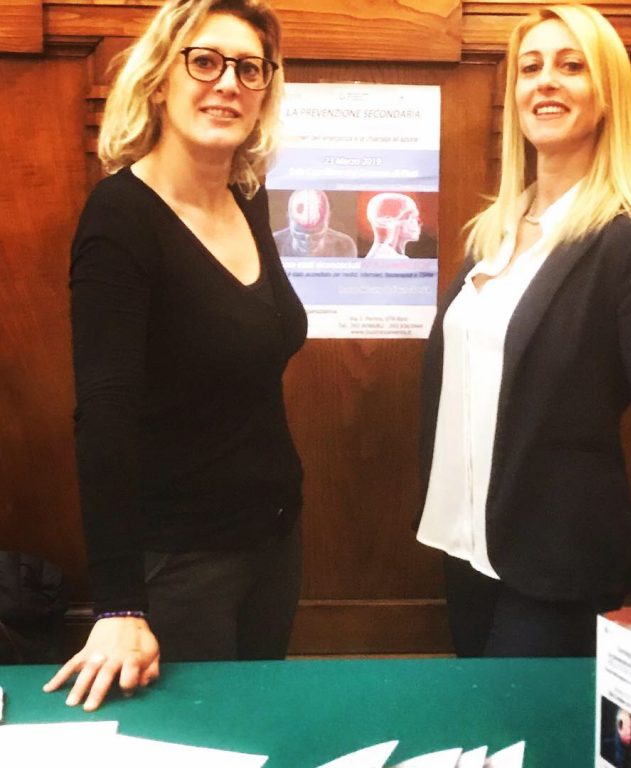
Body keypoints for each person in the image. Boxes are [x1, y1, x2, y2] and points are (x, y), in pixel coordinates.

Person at [415, 4, 631, 690]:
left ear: (606, 96)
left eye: (571, 65)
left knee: (527, 732)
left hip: (556, 569)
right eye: (530, 67)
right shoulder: (492, 233)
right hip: (465, 552)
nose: (546, 81)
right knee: (484, 726)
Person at [44, 0, 306, 711]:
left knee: (259, 729)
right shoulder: (121, 217)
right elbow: (103, 415)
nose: (228, 83)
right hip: (181, 564)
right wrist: (118, 604)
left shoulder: (247, 197)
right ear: (161, 78)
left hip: (273, 542)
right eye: (205, 61)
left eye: (249, 68)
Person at [273, 188, 357, 258]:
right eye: (300, 235)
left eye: (316, 236)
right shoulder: (274, 244)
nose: (308, 240)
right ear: (288, 216)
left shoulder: (343, 246)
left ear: (328, 217)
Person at [365, 192, 421, 259]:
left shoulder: (380, 255)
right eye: (412, 217)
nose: (419, 223)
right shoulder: (387, 258)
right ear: (389, 221)